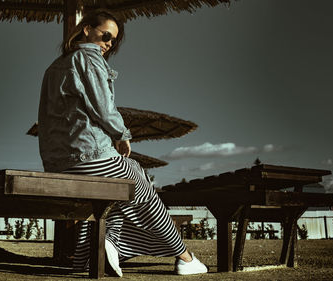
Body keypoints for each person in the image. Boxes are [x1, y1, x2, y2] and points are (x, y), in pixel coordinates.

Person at [38, 9, 207, 277]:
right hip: (89, 157)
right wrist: (122, 134)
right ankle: (185, 256)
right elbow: (104, 109)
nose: (109, 43)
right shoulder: (88, 58)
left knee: (110, 197)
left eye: (113, 40)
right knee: (139, 185)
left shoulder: (54, 68)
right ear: (87, 30)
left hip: (58, 164)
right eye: (106, 35)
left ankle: (96, 252)